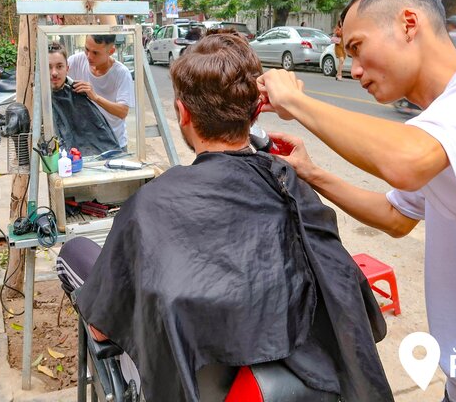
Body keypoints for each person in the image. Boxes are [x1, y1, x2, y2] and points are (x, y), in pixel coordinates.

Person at [257, 0, 456, 402]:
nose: (354, 70)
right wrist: (311, 172)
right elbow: (398, 216)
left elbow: (407, 163)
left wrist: (298, 101)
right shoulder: (444, 124)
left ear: (409, 24)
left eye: (358, 48)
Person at [57, 33, 393, 402]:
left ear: (183, 113)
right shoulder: (290, 188)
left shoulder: (150, 206)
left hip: (187, 381)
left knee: (74, 252)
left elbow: (103, 330)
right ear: (255, 113)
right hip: (294, 370)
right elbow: (343, 293)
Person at [48, 42, 119, 155]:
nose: (54, 73)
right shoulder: (36, 102)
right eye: (49, 67)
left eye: (59, 66)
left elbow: (102, 142)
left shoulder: (79, 95)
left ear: (67, 68)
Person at [67, 34, 135, 149]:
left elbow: (122, 112)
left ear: (111, 51)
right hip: (84, 143)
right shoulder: (75, 61)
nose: (89, 56)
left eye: (95, 53)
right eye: (86, 49)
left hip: (114, 144)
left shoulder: (122, 73)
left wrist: (95, 97)